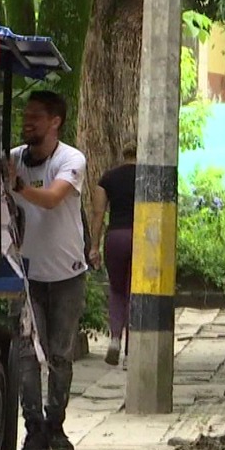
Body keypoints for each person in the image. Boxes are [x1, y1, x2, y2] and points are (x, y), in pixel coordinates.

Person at [7, 90, 89, 450]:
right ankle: (33, 427)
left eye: (36, 116)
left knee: (59, 353)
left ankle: (56, 423)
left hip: (67, 273)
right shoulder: (13, 160)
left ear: (55, 122)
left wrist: (19, 187)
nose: (27, 121)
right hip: (26, 274)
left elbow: (54, 198)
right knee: (27, 353)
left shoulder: (71, 160)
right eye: (26, 115)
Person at [89, 146, 137, 368]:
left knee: (117, 291)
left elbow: (98, 213)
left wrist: (94, 247)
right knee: (134, 293)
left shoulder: (108, 178)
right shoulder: (149, 176)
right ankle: (130, 353)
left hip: (115, 237)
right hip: (141, 239)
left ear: (123, 155)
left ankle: (115, 340)